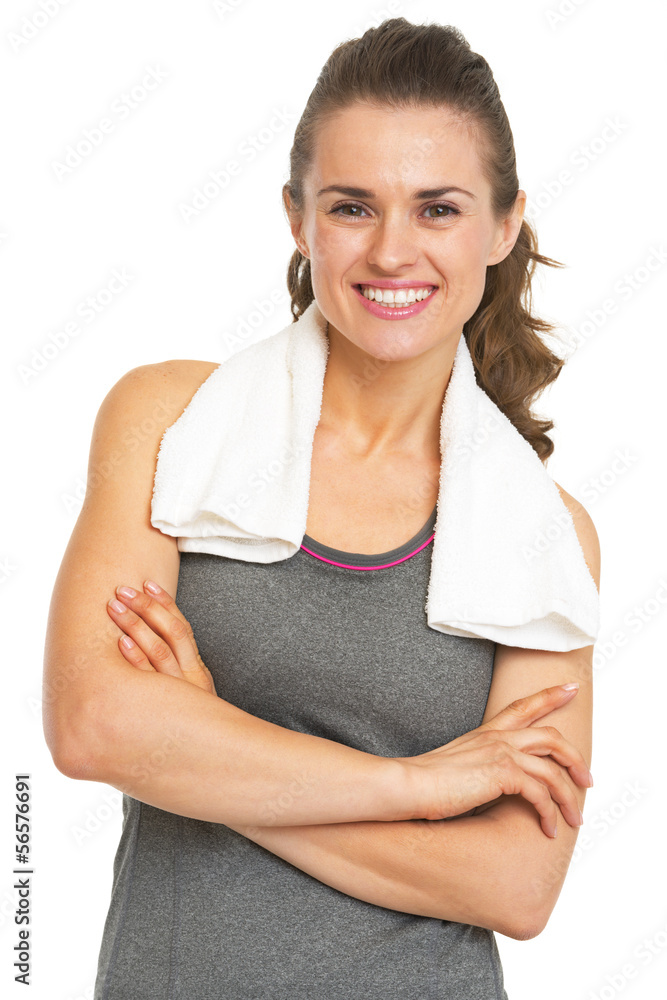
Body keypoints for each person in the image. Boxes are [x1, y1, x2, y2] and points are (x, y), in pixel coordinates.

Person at [42, 17, 599, 999]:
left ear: (503, 225)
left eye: (437, 209)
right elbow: (94, 723)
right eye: (352, 206)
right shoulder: (170, 420)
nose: (391, 252)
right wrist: (420, 788)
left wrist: (202, 741)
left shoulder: (547, 536)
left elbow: (515, 883)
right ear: (297, 217)